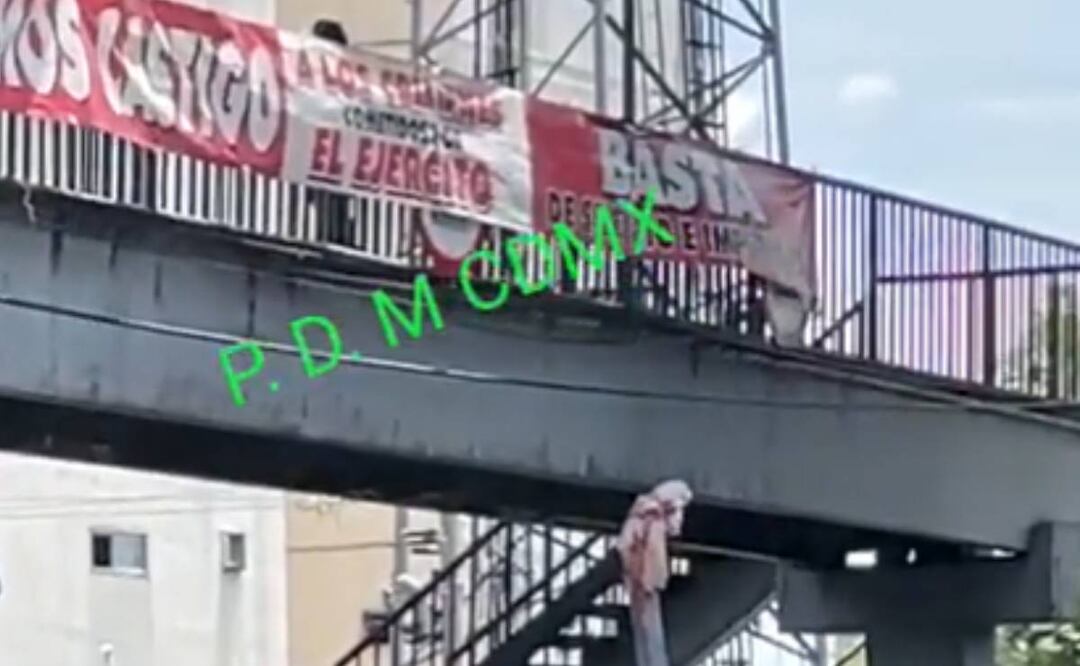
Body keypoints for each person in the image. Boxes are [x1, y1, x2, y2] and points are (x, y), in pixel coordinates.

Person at [307, 19, 354, 247]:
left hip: (333, 154)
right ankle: (334, 237)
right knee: (330, 201)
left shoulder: (342, 77)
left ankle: (334, 237)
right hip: (327, 155)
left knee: (333, 201)